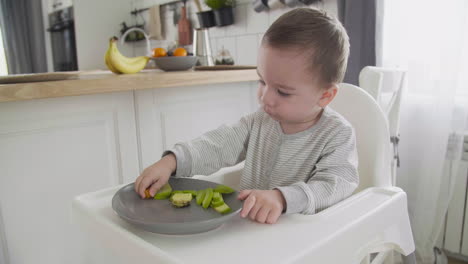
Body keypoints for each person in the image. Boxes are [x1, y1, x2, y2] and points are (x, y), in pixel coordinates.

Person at [135, 7, 358, 224]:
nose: (265, 98)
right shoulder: (259, 121)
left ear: (325, 96)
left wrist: (282, 198)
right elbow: (217, 145)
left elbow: (333, 185)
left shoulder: (338, 135)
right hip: (249, 234)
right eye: (262, 81)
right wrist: (171, 161)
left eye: (282, 91)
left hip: (304, 243)